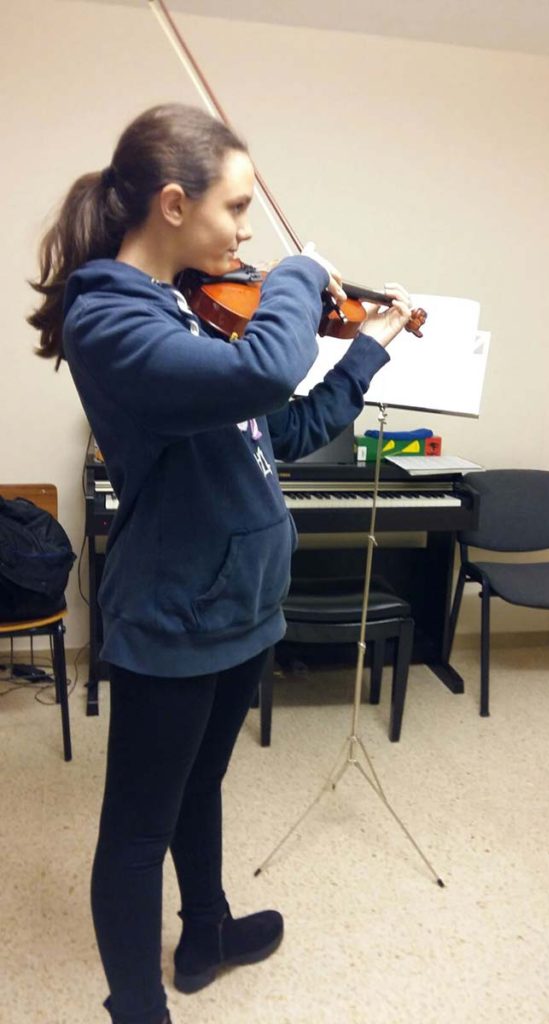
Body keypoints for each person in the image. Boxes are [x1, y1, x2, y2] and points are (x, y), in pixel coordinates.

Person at [28, 103, 413, 1024]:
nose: (245, 234)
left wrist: (363, 354)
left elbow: (278, 426)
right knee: (135, 830)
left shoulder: (190, 312)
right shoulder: (112, 320)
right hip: (175, 613)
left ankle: (207, 927)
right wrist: (302, 272)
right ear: (171, 204)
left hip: (242, 604)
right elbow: (265, 374)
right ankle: (136, 1009)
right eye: (236, 209)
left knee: (203, 782)